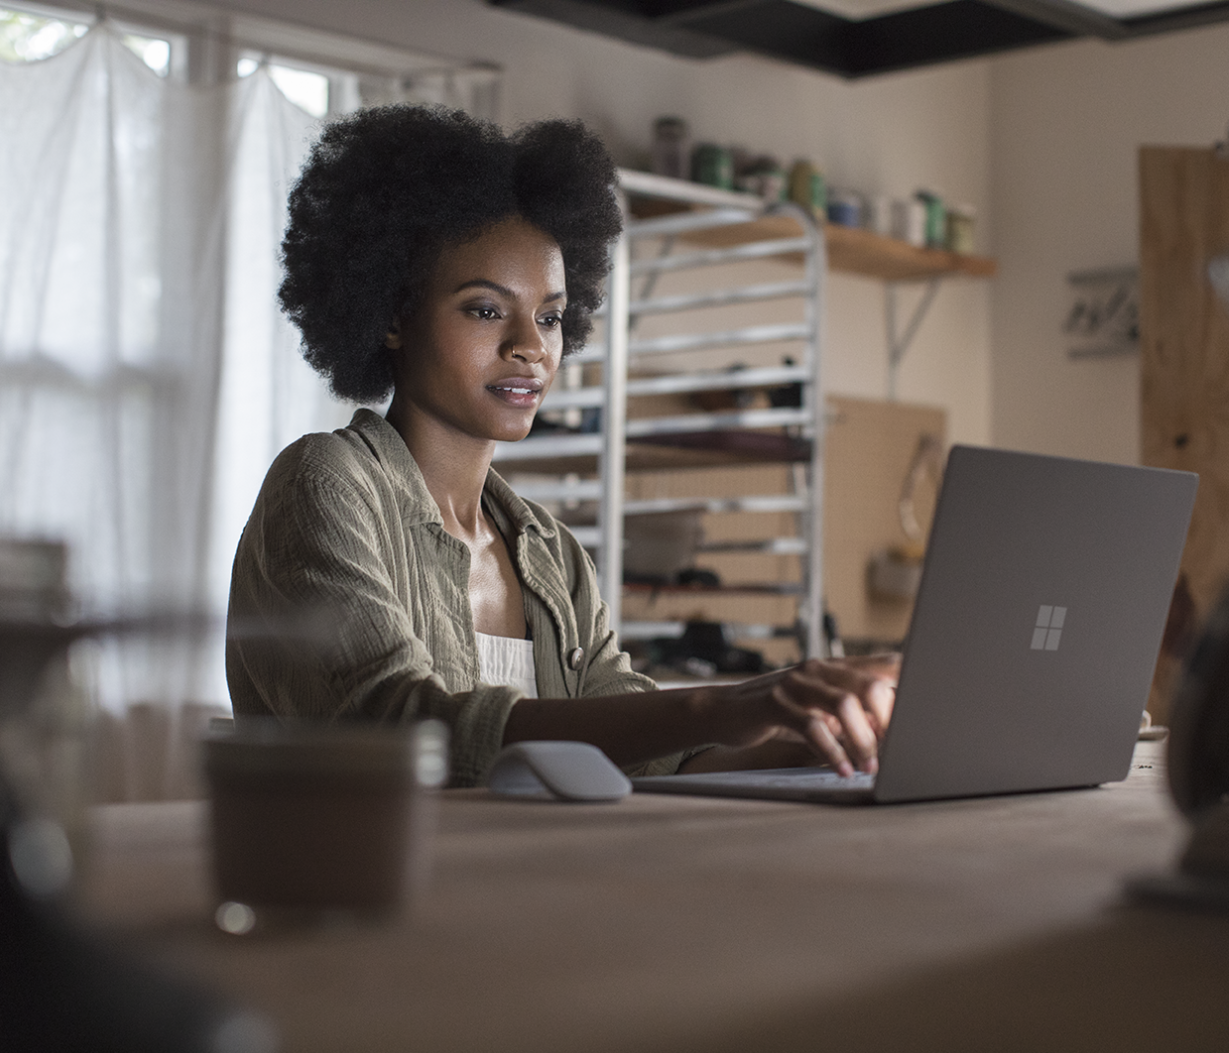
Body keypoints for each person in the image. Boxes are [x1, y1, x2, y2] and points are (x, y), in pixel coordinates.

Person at [227, 105, 896, 788]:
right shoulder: (324, 485)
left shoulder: (550, 553)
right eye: (486, 310)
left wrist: (843, 741)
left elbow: (660, 761)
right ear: (394, 316)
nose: (531, 347)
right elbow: (403, 727)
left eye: (549, 317)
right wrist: (721, 704)